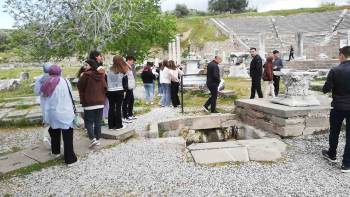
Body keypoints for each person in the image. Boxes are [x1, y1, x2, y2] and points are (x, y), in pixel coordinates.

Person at [40, 65, 77, 165]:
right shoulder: (65, 81)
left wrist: (45, 116)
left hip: (53, 112)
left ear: (49, 73)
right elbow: (71, 95)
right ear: (60, 72)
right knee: (67, 135)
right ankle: (70, 159)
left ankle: (55, 152)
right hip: (66, 111)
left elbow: (43, 101)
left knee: (54, 132)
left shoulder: (46, 83)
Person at [322, 46, 350, 173]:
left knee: (334, 131)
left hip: (338, 105)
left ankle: (332, 154)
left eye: (339, 54)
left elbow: (326, 89)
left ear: (342, 55)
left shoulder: (335, 70)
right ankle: (346, 164)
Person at [77, 59, 107, 148]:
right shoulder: (101, 75)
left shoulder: (85, 75)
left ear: (91, 66)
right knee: (98, 121)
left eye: (86, 65)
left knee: (89, 122)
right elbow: (105, 87)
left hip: (89, 102)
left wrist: (81, 77)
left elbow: (80, 86)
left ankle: (93, 139)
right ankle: (97, 139)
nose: (84, 67)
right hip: (100, 101)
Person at [34, 62, 53, 149]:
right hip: (53, 101)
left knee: (46, 119)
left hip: (44, 101)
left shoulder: (39, 78)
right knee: (55, 121)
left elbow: (36, 92)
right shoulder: (55, 78)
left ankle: (46, 137)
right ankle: (53, 140)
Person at [107, 55, 129, 130]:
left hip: (110, 91)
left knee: (111, 107)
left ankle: (111, 125)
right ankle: (119, 125)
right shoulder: (123, 71)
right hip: (119, 90)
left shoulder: (109, 70)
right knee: (118, 108)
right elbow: (125, 83)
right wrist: (125, 91)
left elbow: (106, 80)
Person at [122, 56, 136, 122]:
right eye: (132, 61)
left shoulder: (129, 66)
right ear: (128, 60)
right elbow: (124, 77)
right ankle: (125, 116)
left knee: (131, 100)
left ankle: (130, 114)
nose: (133, 63)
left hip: (130, 86)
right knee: (126, 101)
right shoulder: (125, 66)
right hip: (127, 87)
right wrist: (125, 87)